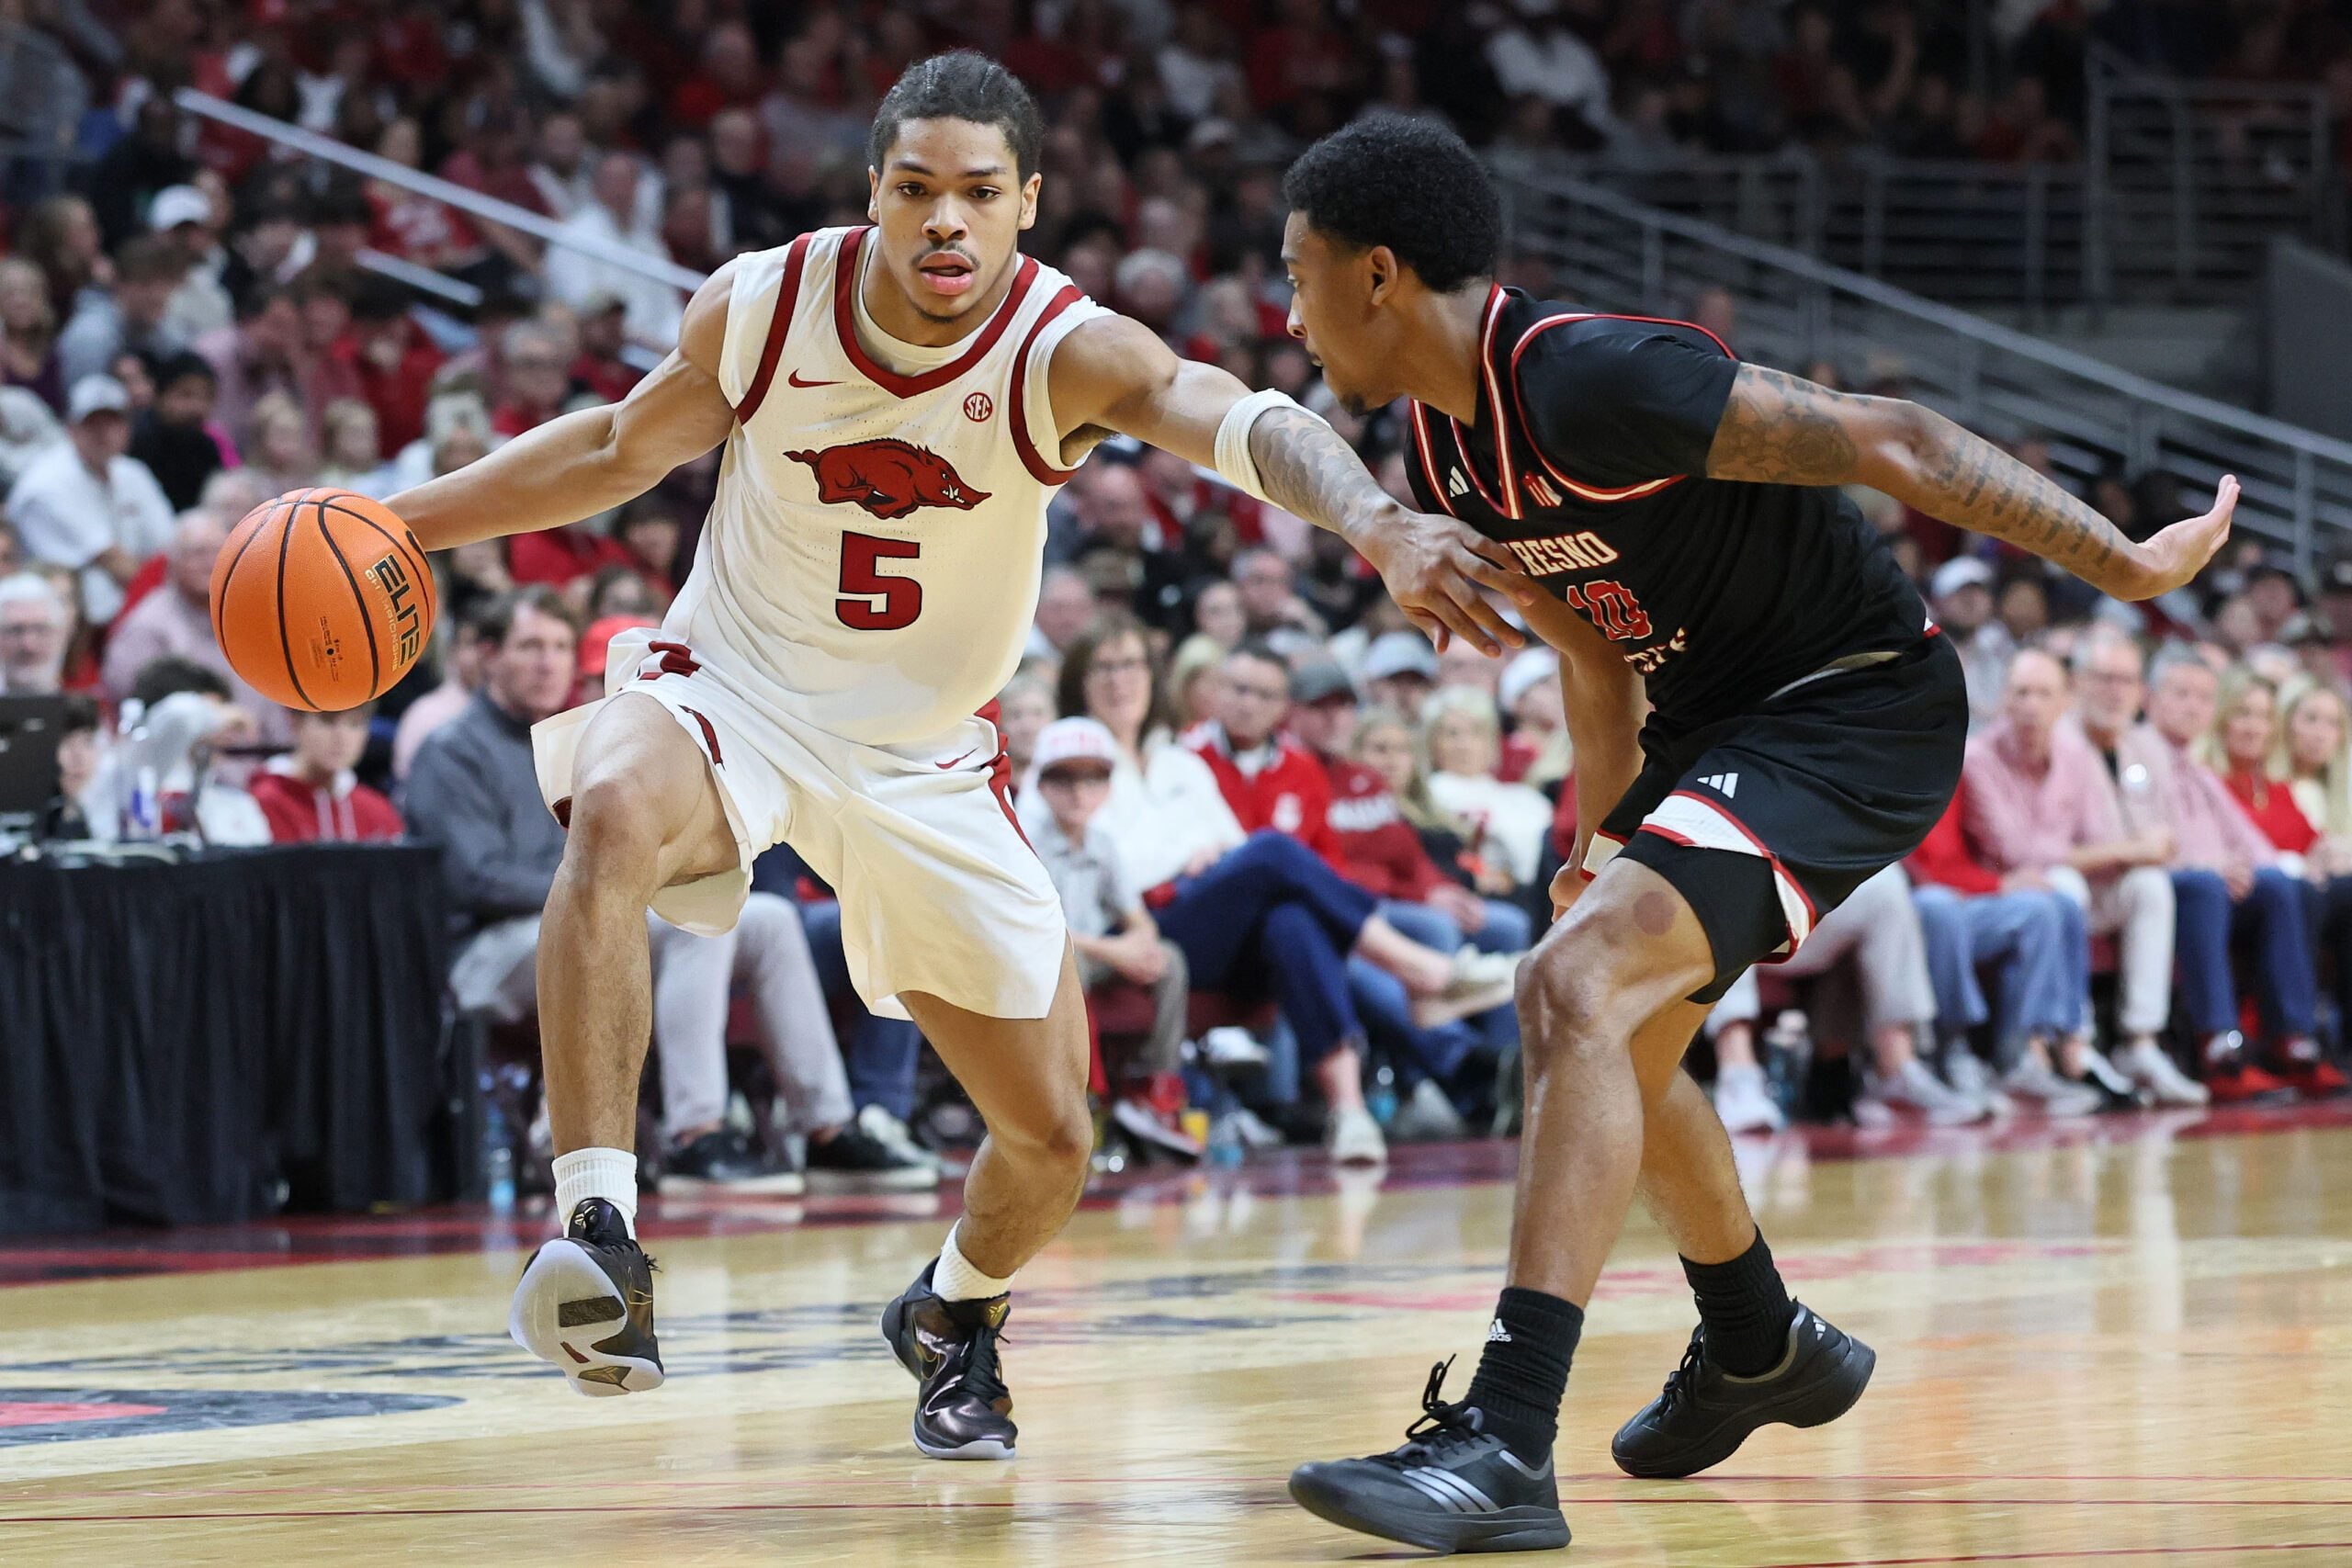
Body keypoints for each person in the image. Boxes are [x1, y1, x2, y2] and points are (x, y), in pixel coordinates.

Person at [386, 57, 1521, 1455]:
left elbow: (1243, 420)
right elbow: (619, 447)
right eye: (915, 189)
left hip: (926, 760)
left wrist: (1379, 521)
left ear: (1027, 205)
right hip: (735, 689)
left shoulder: (1064, 348)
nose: (944, 222)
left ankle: (952, 1310)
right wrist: (397, 522)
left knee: (1052, 1141)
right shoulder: (766, 302)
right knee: (612, 804)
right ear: (873, 191)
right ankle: (598, 1230)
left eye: (979, 194)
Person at [1275, 115, 2233, 1552]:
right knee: (1611, 1017)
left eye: (1297, 273)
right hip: (1713, 728)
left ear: (1379, 275)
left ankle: (1505, 1440)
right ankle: (1758, 1339)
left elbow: (1894, 438)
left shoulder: (1589, 375)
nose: (1285, 310)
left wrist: (2127, 562)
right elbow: (1595, 655)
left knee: (1575, 988)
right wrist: (1599, 842)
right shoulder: (1442, 444)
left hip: (1854, 705)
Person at [1964, 646, 2202, 1105]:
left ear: (2063, 702)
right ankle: (2078, 1042)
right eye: (2022, 693)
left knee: (2149, 885)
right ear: (2003, 701)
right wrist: (2129, 848)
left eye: (2044, 693)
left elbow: (2099, 833)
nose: (2031, 705)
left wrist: (2135, 851)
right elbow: (2017, 854)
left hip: (2078, 892)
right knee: (2062, 885)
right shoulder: (1979, 759)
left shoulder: (2074, 754)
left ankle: (2142, 1043)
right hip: (2004, 898)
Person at [2131, 647, 2326, 1100]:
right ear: (2152, 697)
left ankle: (2292, 1039)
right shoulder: (2135, 755)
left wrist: (2252, 867)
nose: (2193, 706)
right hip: (2170, 886)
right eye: (2181, 693)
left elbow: (2251, 842)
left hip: (2216, 887)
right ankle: (2218, 1046)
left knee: (2276, 883)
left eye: (2203, 697)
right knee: (2204, 886)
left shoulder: (2196, 769)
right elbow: (2141, 838)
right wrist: (2213, 868)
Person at [1026, 716, 1198, 1161]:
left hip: (1091, 951)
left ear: (1107, 788)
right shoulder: (1028, 843)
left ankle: (1156, 1086)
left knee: (1172, 958)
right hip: (1041, 959)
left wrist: (1140, 945)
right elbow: (1040, 932)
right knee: (1068, 962)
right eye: (1063, 779)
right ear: (1041, 785)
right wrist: (1117, 949)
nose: (1079, 792)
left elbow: (1138, 918)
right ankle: (1078, 1094)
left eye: (1092, 778)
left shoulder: (1103, 844)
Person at [7, 374, 175, 627]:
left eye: (112, 422)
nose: (102, 433)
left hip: (121, 613)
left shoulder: (133, 472)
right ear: (71, 429)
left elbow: (170, 551)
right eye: (92, 423)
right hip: (51, 618)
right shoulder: (49, 479)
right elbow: (116, 563)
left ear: (127, 428)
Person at [251, 705, 403, 842]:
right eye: (327, 721)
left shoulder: (378, 810)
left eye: (354, 723)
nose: (341, 737)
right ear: (296, 723)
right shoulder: (262, 804)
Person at [0, 571, 71, 695]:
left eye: (41, 629)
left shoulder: (81, 710)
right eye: (16, 630)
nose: (28, 645)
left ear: (61, 636)